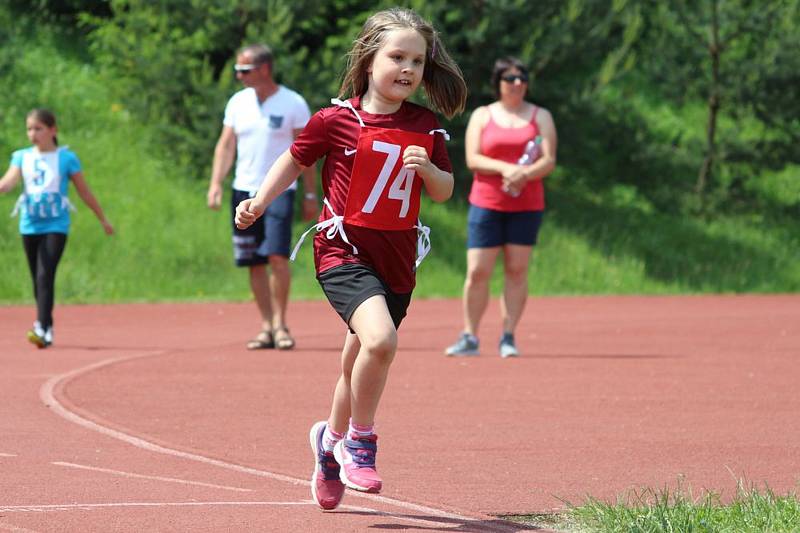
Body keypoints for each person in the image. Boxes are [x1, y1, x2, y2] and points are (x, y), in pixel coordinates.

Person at [235, 8, 467, 510]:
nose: (407, 69)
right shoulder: (336, 119)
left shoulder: (426, 126)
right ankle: (360, 442)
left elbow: (446, 191)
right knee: (382, 341)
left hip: (398, 259)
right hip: (342, 251)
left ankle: (327, 445)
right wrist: (258, 201)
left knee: (354, 363)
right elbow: (294, 161)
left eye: (418, 61)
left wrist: (428, 168)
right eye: (397, 57)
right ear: (368, 59)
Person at [445, 56, 557, 359]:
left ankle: (508, 335)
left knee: (517, 270)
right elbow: (473, 159)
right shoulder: (482, 115)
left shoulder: (540, 116)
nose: (517, 83)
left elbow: (548, 160)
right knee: (478, 271)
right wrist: (507, 169)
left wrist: (524, 174)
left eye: (522, 77)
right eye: (510, 78)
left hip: (527, 204)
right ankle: (470, 335)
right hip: (487, 203)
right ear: (498, 84)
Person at [207, 43, 317, 351]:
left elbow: (305, 154)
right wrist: (216, 183)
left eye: (245, 70)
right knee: (254, 261)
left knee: (277, 256)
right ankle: (266, 325)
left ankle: (282, 325)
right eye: (237, 70)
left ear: (264, 69)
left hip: (281, 191)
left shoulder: (293, 103)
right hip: (244, 190)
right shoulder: (238, 103)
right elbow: (226, 146)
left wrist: (310, 193)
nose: (239, 75)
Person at [0, 108, 114, 348]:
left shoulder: (66, 159)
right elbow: (9, 181)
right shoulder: (22, 157)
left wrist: (102, 218)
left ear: (53, 130)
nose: (33, 134)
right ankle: (47, 326)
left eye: (39, 128)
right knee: (37, 278)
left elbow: (84, 191)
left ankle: (40, 327)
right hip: (30, 224)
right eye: (29, 129)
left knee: (45, 273)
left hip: (56, 224)